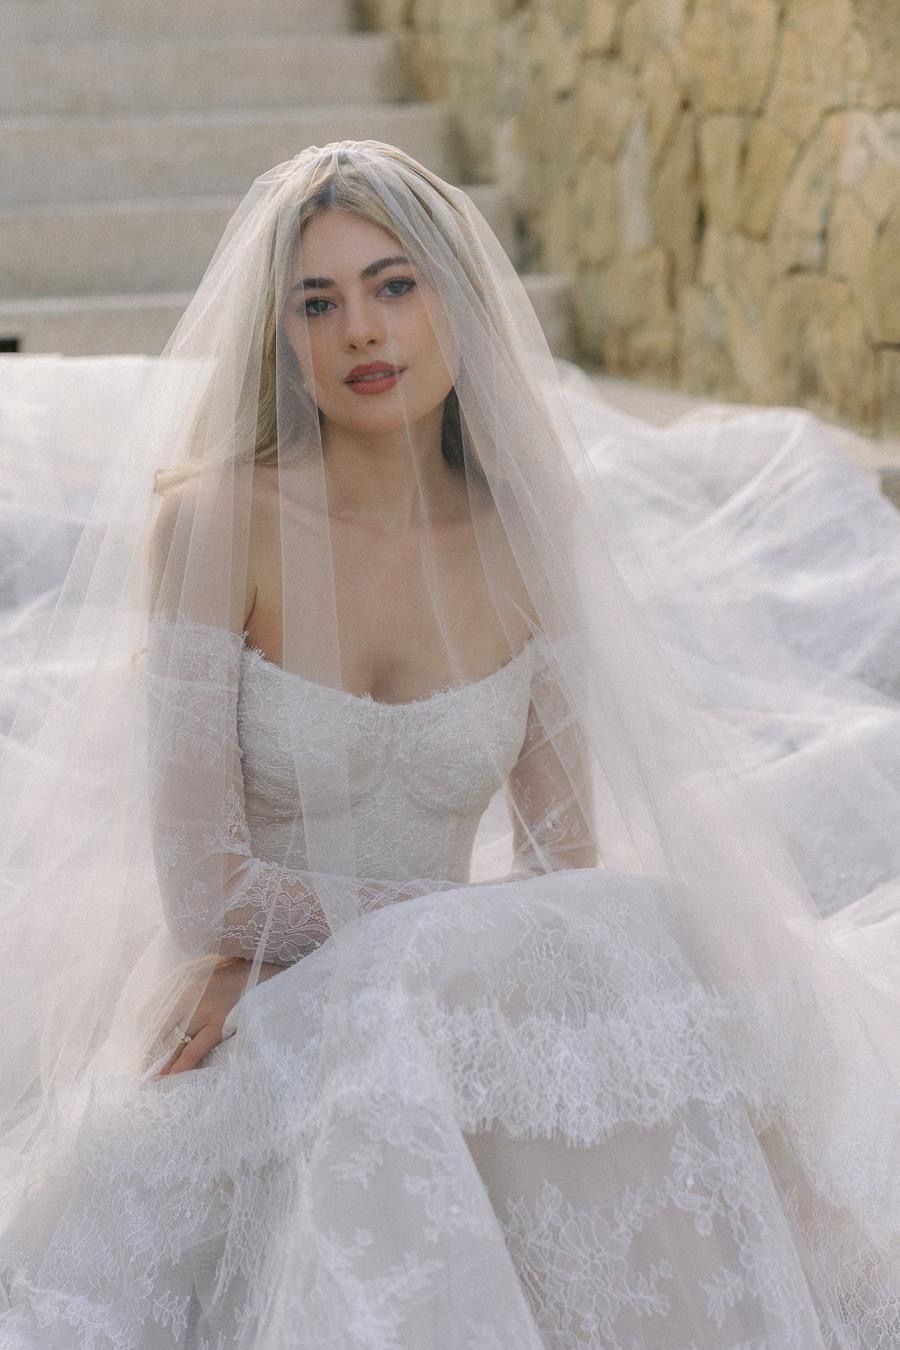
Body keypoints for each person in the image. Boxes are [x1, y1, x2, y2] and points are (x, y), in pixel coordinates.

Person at [0, 140, 897, 1348]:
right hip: (263, 995)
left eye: (393, 285)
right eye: (316, 303)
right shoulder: (217, 519)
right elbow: (207, 891)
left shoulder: (527, 531)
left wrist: (455, 955)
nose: (361, 331)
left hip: (442, 990)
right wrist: (407, 934)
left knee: (653, 945)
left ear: (457, 303)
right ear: (282, 338)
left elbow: (562, 858)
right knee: (387, 1038)